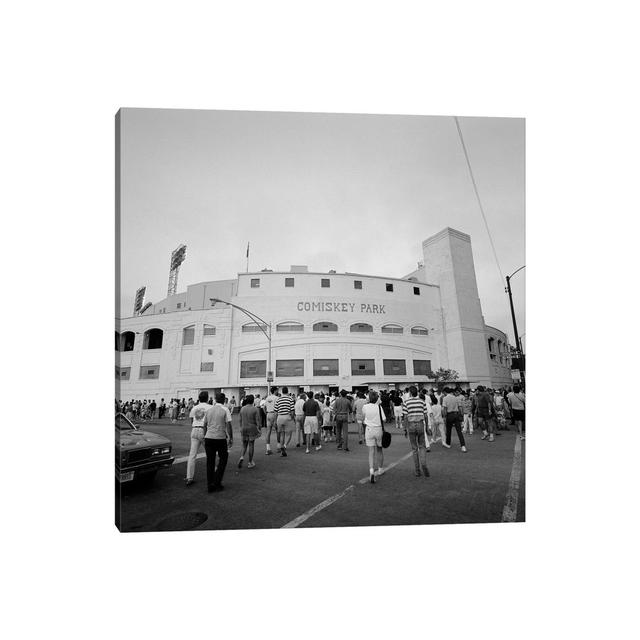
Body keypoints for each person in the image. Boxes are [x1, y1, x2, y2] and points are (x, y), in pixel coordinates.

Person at [202, 392, 233, 492]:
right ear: (224, 400)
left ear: (215, 399)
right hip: (220, 438)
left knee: (210, 462)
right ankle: (217, 481)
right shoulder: (225, 409)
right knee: (223, 459)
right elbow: (228, 425)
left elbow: (205, 425)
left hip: (209, 437)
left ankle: (210, 485)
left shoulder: (209, 410)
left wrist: (205, 435)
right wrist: (231, 437)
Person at [402, 386, 430, 477]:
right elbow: (425, 415)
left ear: (410, 393)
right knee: (422, 446)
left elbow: (405, 417)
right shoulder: (422, 402)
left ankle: (417, 470)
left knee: (414, 449)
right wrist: (426, 428)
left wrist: (405, 429)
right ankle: (424, 464)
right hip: (420, 424)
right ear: (417, 393)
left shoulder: (406, 402)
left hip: (411, 425)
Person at [185, 390, 210, 486]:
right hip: (205, 430)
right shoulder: (210, 407)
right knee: (209, 453)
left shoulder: (194, 408)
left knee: (192, 455)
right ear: (207, 398)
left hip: (194, 429)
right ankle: (213, 471)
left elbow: (191, 420)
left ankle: (189, 477)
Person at [362, 391, 386, 484]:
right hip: (378, 429)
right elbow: (384, 419)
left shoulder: (365, 407)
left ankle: (371, 471)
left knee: (371, 452)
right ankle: (380, 469)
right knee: (379, 449)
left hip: (369, 429)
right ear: (377, 398)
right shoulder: (379, 407)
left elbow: (364, 416)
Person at [441, 387, 467, 452]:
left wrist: (444, 417)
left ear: (445, 392)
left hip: (449, 415)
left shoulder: (445, 398)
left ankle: (448, 443)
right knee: (459, 431)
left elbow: (444, 409)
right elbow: (460, 408)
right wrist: (461, 415)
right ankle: (463, 446)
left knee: (448, 431)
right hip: (456, 414)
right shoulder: (456, 398)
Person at [238, 394, 260, 468]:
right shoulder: (255, 409)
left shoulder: (242, 409)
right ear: (253, 400)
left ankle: (241, 456)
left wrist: (241, 428)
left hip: (244, 427)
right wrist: (259, 429)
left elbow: (240, 420)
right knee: (251, 445)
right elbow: (257, 421)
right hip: (252, 428)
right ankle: (250, 462)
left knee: (244, 445)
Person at [274, 386, 295, 456]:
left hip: (279, 418)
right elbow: (292, 411)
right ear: (287, 391)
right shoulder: (290, 399)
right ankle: (285, 445)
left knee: (282, 434)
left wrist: (275, 421)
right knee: (289, 434)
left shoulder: (278, 399)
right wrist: (292, 418)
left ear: (282, 392)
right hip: (287, 417)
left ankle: (281, 446)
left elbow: (275, 412)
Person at [264, 386, 279, 455]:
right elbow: (278, 408)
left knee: (268, 431)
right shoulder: (277, 398)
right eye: (277, 390)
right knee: (278, 430)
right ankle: (278, 447)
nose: (278, 391)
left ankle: (268, 448)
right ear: (275, 391)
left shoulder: (267, 398)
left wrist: (266, 413)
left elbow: (264, 407)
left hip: (268, 414)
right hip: (274, 414)